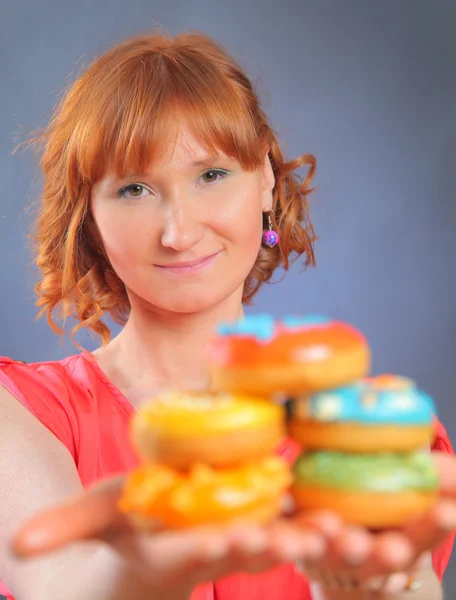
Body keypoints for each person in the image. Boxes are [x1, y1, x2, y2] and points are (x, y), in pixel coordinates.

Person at [0, 31, 454, 600]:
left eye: (211, 175)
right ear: (89, 217)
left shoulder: (367, 433)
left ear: (265, 177)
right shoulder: (19, 413)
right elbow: (58, 581)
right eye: (135, 189)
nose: (179, 232)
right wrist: (137, 574)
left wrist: (383, 591)